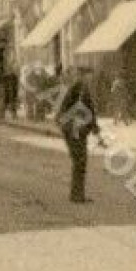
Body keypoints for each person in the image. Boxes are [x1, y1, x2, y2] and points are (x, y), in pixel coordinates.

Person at [54, 67, 96, 203]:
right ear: (83, 76)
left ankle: (77, 195)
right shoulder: (80, 89)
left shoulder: (79, 88)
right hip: (74, 130)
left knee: (79, 162)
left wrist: (94, 128)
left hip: (74, 129)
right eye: (89, 76)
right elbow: (81, 110)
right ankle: (77, 196)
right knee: (80, 161)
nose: (91, 79)